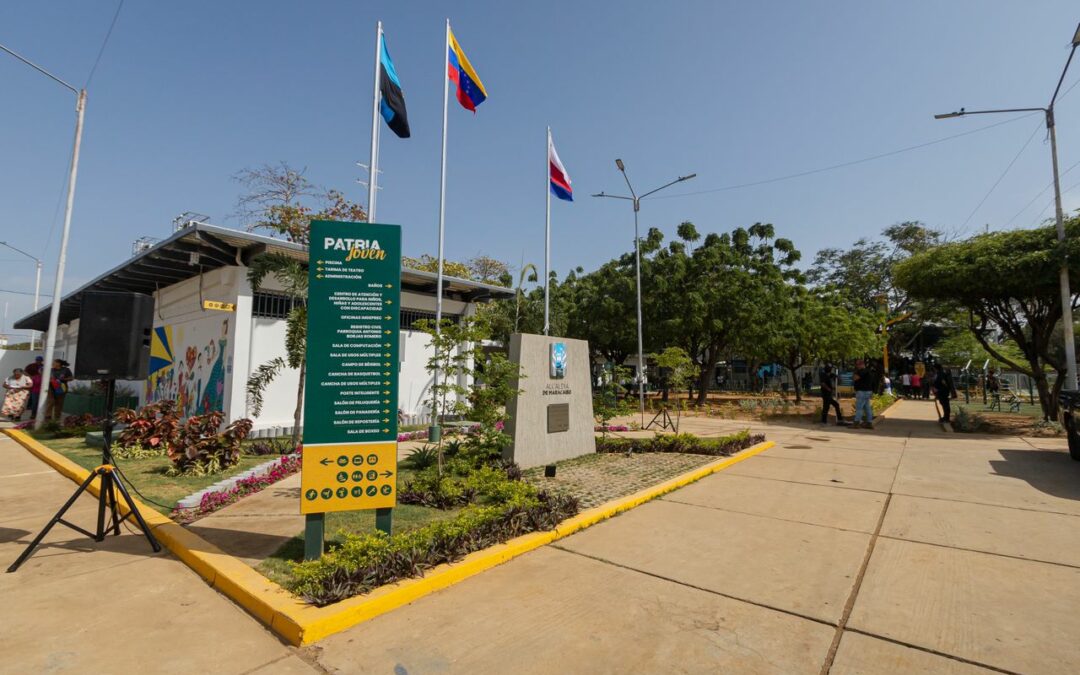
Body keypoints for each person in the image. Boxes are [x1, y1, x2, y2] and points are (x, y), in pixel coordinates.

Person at [851, 358, 874, 429]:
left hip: (862, 392)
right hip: (867, 391)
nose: (856, 366)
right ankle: (869, 423)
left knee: (859, 408)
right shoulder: (868, 371)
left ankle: (856, 423)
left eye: (857, 365)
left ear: (861, 364)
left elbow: (855, 378)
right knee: (867, 408)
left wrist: (855, 374)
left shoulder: (862, 371)